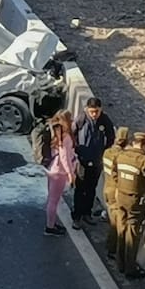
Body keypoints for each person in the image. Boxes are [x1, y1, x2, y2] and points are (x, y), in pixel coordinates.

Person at [111, 132, 145, 279]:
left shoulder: (120, 156)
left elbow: (114, 174)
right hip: (135, 202)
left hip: (120, 197)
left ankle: (120, 264)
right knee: (132, 234)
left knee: (121, 229)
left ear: (133, 142)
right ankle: (130, 269)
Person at [72, 97, 115, 229]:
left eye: (96, 111)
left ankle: (87, 213)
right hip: (82, 161)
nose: (94, 114)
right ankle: (77, 217)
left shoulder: (104, 120)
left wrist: (104, 152)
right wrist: (77, 150)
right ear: (87, 110)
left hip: (96, 161)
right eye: (92, 111)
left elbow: (111, 136)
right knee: (80, 189)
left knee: (91, 189)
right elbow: (72, 134)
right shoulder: (81, 118)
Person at [43, 111, 76, 236]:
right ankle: (50, 227)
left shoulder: (55, 131)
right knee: (54, 200)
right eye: (70, 119)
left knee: (51, 198)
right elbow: (65, 157)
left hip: (51, 168)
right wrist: (70, 174)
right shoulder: (65, 137)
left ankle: (51, 223)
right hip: (59, 172)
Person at [101, 126, 130, 258]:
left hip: (107, 189)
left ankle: (110, 247)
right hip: (117, 194)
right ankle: (113, 250)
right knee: (118, 224)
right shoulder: (121, 157)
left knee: (112, 220)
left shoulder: (107, 152)